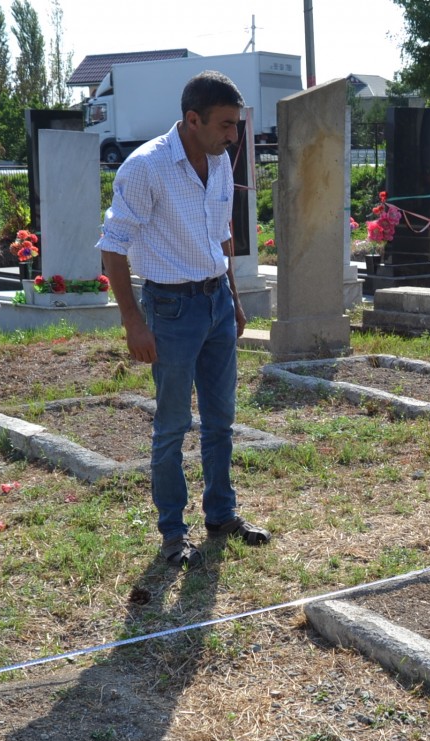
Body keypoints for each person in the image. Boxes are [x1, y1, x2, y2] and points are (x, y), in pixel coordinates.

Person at [98, 70, 270, 569]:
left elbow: (222, 238)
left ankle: (221, 515)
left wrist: (233, 299)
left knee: (221, 421)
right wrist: (133, 321)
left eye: (236, 126)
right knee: (172, 425)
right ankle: (174, 533)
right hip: (170, 309)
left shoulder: (217, 162)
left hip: (215, 302)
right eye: (224, 125)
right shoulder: (147, 167)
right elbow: (113, 246)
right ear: (191, 119)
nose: (233, 137)